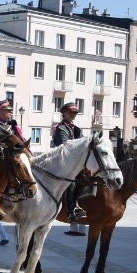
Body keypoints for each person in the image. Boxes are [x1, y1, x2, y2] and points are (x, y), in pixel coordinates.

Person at [0, 99, 24, 246]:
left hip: (13, 160)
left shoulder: (11, 126)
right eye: (6, 110)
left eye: (10, 110)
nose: (10, 112)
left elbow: (20, 142)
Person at [53, 101, 87, 236]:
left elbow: (84, 143)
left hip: (76, 163)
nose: (73, 115)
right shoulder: (61, 129)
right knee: (71, 185)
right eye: (71, 113)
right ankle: (71, 214)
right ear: (64, 114)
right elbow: (65, 146)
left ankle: (84, 216)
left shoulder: (76, 129)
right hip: (63, 162)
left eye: (75, 113)